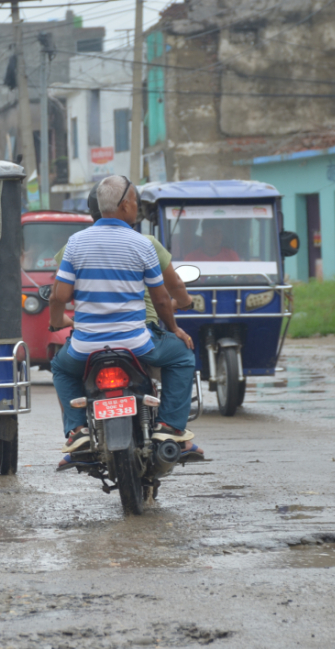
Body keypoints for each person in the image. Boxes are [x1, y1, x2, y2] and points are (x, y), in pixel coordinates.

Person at [49, 175, 204, 468]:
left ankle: (77, 431)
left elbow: (58, 297)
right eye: (134, 201)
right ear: (124, 206)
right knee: (182, 357)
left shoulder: (74, 244)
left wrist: (58, 322)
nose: (136, 207)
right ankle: (169, 427)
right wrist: (174, 329)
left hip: (86, 347)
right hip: (136, 344)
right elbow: (160, 301)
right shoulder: (142, 244)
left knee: (60, 367)